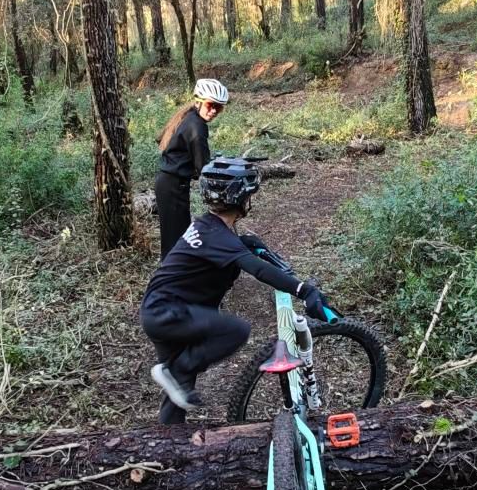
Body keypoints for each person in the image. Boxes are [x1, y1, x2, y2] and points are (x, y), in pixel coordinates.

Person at [141, 155, 334, 426]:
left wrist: (245, 242)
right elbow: (258, 270)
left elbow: (225, 251)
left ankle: (168, 439)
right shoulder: (219, 237)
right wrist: (304, 290)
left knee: (178, 392)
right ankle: (176, 370)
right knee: (235, 331)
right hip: (170, 312)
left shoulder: (207, 226)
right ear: (241, 199)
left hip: (159, 309)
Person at [153, 78, 230, 257]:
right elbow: (203, 166)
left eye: (219, 107)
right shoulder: (197, 126)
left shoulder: (188, 117)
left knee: (175, 236)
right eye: (210, 105)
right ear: (199, 101)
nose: (213, 111)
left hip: (170, 183)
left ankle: (173, 270)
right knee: (176, 239)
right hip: (173, 185)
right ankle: (171, 272)